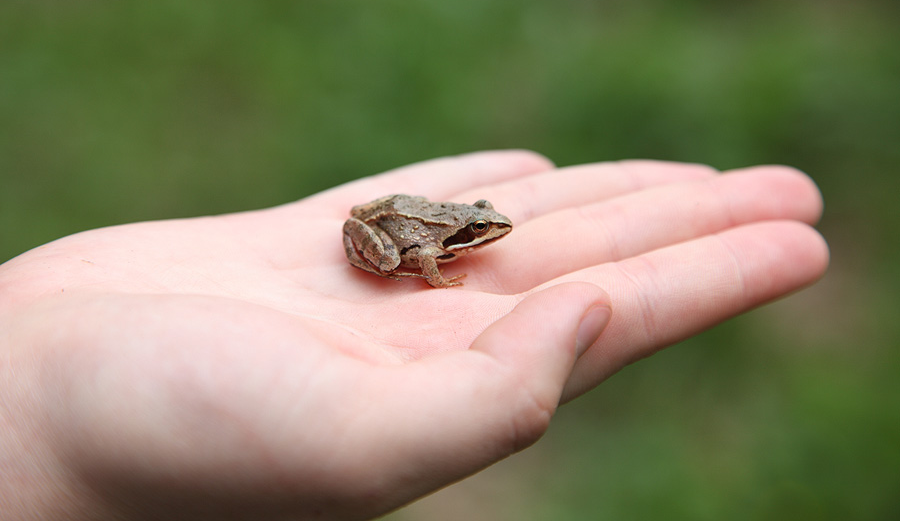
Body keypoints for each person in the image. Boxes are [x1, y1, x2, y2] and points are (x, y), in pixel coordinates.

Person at [0, 151, 829, 520]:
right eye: (484, 231)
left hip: (387, 212)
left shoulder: (468, 220)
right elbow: (423, 253)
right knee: (396, 251)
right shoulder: (443, 246)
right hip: (389, 229)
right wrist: (434, 270)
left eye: (482, 229)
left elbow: (450, 219)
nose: (488, 235)